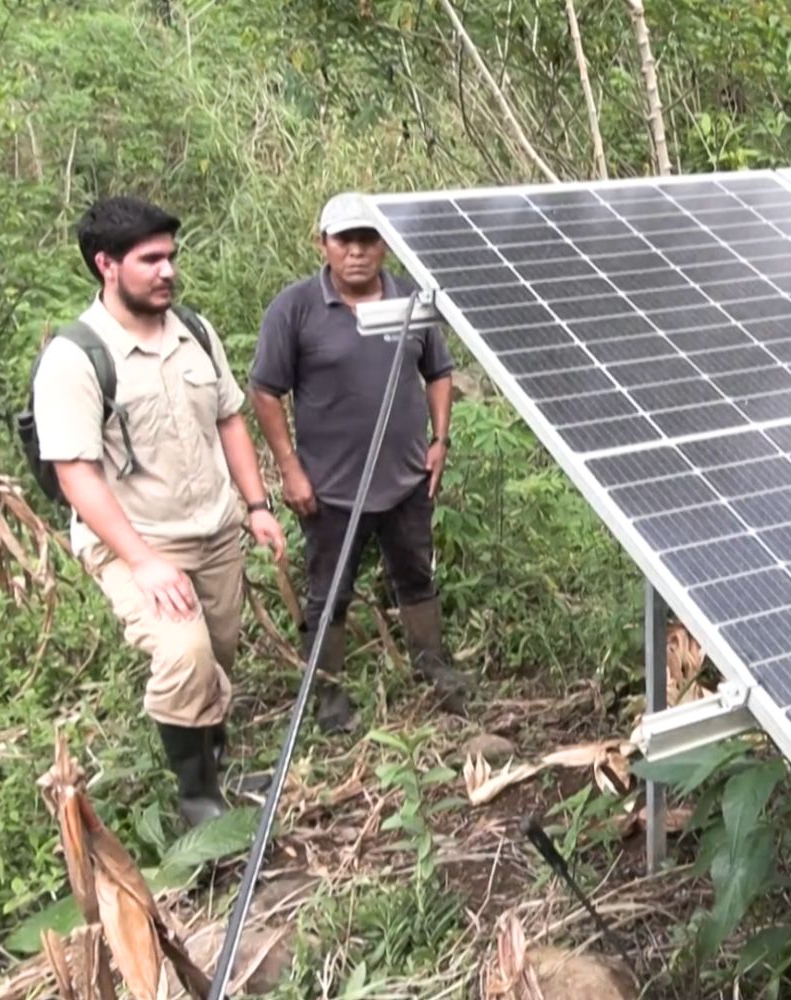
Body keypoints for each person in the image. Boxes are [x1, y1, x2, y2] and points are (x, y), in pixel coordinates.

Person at [32, 195, 286, 826]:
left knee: (219, 652)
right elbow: (75, 473)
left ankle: (216, 762)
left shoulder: (195, 332)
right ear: (106, 266)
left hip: (213, 527)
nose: (168, 270)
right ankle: (197, 800)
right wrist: (143, 563)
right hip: (136, 542)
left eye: (171, 256)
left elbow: (229, 418)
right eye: (150, 260)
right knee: (185, 654)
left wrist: (256, 504)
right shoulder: (76, 357)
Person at [249, 192, 468, 734]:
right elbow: (265, 391)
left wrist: (439, 439)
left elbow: (438, 371)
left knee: (416, 575)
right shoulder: (295, 307)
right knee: (329, 591)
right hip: (330, 487)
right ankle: (329, 694)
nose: (357, 253)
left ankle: (433, 668)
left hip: (404, 479)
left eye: (368, 240)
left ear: (385, 247)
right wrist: (289, 468)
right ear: (323, 243)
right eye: (345, 241)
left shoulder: (411, 301)